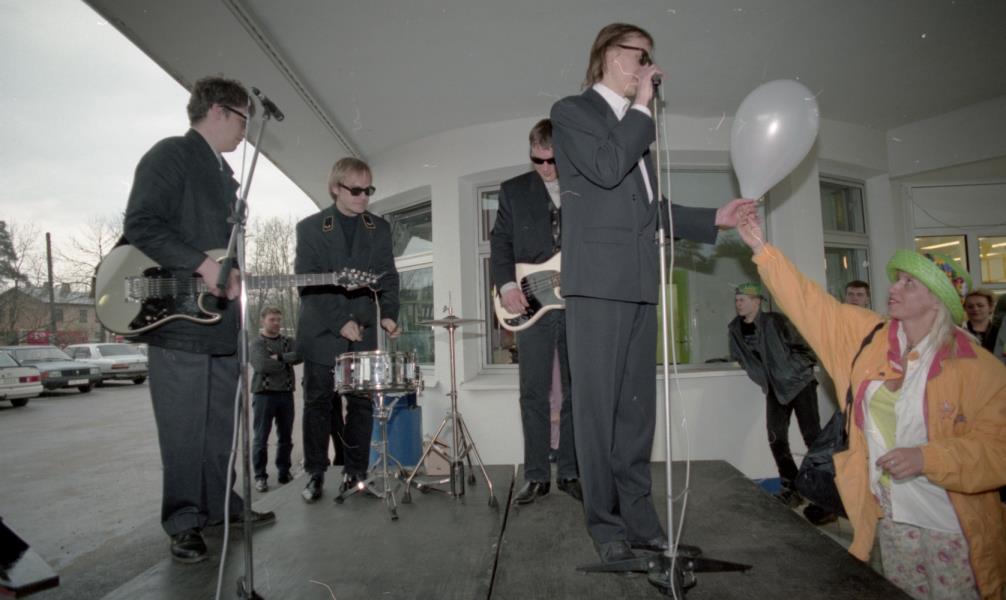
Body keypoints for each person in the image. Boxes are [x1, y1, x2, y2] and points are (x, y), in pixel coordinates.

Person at [550, 23, 754, 563]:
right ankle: (606, 529)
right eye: (638, 55)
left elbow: (646, 211)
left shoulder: (634, 129)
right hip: (598, 285)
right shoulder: (574, 112)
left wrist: (714, 217)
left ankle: (641, 524)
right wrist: (641, 106)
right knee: (596, 413)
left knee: (636, 417)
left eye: (649, 57)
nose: (648, 66)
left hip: (641, 284)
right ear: (607, 56)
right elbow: (605, 168)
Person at [736, 215, 1006, 600]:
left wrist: (927, 457)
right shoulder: (866, 337)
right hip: (891, 514)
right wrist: (762, 250)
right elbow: (810, 304)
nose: (893, 287)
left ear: (937, 299)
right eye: (897, 279)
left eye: (909, 283)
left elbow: (998, 449)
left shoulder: (980, 369)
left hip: (954, 522)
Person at [123, 76, 274, 563]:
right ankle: (184, 520)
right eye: (243, 119)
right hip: (178, 322)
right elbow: (141, 224)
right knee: (184, 428)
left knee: (219, 427)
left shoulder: (225, 176)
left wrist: (231, 276)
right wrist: (205, 266)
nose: (246, 131)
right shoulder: (171, 154)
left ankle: (219, 507)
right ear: (218, 112)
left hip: (219, 325)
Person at [295, 157, 400, 503]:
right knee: (318, 404)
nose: (363, 197)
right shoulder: (310, 228)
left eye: (368, 190)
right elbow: (307, 283)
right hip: (322, 329)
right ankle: (315, 473)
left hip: (364, 330)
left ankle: (356, 473)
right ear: (335, 188)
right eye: (356, 190)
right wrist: (340, 320)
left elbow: (388, 276)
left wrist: (389, 314)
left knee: (361, 404)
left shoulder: (379, 228)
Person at [489, 119, 580, 505]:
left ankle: (572, 472)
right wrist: (507, 286)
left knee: (579, 391)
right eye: (537, 160)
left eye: (552, 160)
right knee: (532, 392)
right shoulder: (513, 190)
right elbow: (500, 242)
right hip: (531, 302)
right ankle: (537, 476)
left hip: (578, 302)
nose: (545, 168)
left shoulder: (585, 186)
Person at [727, 282, 836, 524]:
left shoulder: (777, 321)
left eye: (743, 299)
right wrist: (761, 376)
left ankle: (825, 497)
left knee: (813, 438)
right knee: (776, 438)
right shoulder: (734, 329)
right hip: (774, 389)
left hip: (800, 385)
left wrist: (791, 372)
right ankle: (792, 487)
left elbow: (806, 350)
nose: (738, 304)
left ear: (757, 302)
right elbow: (740, 357)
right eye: (736, 300)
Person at [249, 306, 301, 492]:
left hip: (285, 394)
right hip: (264, 394)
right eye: (272, 319)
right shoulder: (257, 343)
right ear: (263, 320)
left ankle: (284, 472)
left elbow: (300, 355)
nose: (276, 323)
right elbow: (261, 365)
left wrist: (278, 357)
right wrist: (286, 363)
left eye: (278, 319)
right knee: (261, 437)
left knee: (286, 436)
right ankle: (260, 476)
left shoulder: (288, 341)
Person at [963, 289, 999, 353]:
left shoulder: (1000, 332)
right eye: (970, 306)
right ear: (965, 309)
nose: (975, 309)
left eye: (980, 305)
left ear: (991, 307)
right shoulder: (959, 330)